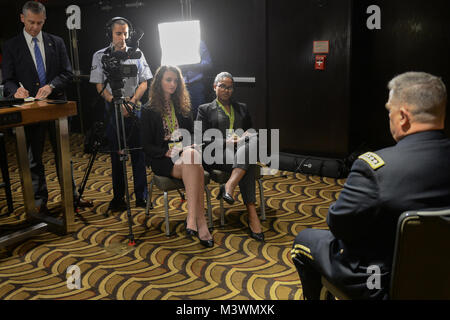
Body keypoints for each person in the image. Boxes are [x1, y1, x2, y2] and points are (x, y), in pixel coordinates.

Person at [291, 71, 450, 299]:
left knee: (305, 240)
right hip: (442, 279)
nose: (389, 117)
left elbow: (339, 225)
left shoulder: (375, 168)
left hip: (381, 285)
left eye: (390, 111)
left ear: (403, 117)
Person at [1, 1, 93, 212]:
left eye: (39, 23)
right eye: (31, 22)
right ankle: (39, 201)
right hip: (29, 110)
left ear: (44, 20)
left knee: (64, 155)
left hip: (56, 106)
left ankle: (72, 197)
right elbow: (8, 80)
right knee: (33, 158)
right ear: (22, 18)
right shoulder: (11, 46)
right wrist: (16, 91)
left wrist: (51, 86)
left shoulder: (57, 42)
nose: (35, 27)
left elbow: (67, 73)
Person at [141, 65, 214, 248]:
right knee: (195, 165)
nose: (173, 84)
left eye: (175, 80)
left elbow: (192, 134)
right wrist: (164, 151)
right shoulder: (149, 109)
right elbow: (146, 145)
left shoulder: (182, 106)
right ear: (159, 82)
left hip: (185, 155)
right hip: (164, 160)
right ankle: (201, 223)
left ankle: (192, 219)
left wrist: (192, 143)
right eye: (168, 80)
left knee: (191, 155)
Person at [90, 17, 152, 211]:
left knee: (138, 153)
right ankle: (118, 198)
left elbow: (145, 82)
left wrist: (132, 102)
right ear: (110, 34)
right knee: (117, 154)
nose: (123, 37)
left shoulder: (137, 54)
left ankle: (141, 196)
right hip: (113, 108)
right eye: (118, 33)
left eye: (125, 33)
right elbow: (99, 85)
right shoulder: (100, 55)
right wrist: (117, 103)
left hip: (135, 107)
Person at [196, 72, 264, 242]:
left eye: (230, 87)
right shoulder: (204, 109)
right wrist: (225, 141)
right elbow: (200, 137)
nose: (227, 90)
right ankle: (252, 214)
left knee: (254, 140)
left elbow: (251, 129)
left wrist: (244, 136)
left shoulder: (242, 107)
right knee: (246, 165)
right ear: (215, 87)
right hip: (218, 153)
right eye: (223, 86)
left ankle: (229, 186)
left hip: (241, 150)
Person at [180, 40, 212, 119]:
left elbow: (208, 63)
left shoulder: (199, 43)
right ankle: (182, 131)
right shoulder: (173, 43)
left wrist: (193, 65)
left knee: (198, 114)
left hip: (195, 85)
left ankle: (198, 131)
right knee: (179, 113)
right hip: (177, 86)